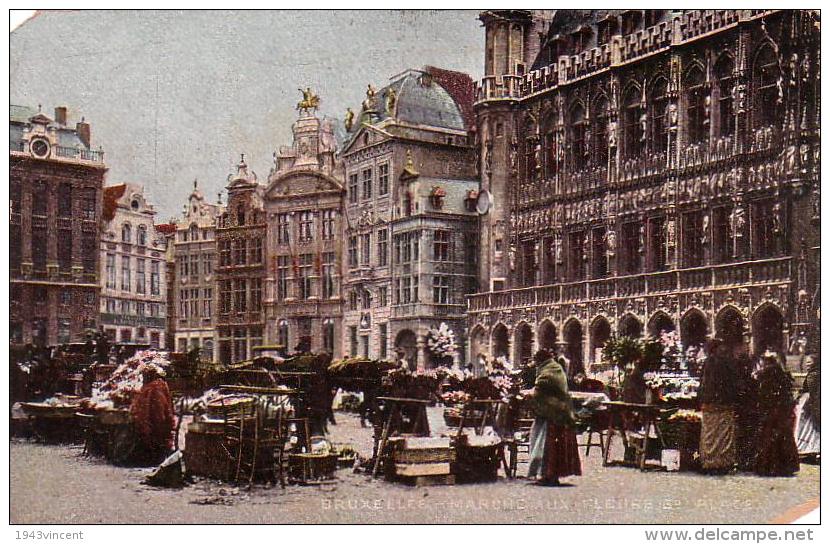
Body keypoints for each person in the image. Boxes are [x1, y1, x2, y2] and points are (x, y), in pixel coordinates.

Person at [523, 349, 581, 486]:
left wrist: (528, 396)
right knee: (553, 446)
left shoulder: (548, 371)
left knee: (547, 446)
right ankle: (549, 475)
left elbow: (540, 391)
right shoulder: (555, 368)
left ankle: (548, 475)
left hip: (553, 414)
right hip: (559, 412)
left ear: (540, 360)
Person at [698, 338, 740, 474]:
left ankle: (709, 461)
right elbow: (732, 383)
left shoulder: (707, 363)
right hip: (723, 404)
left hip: (709, 404)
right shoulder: (724, 362)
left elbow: (703, 384)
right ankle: (722, 462)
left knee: (709, 434)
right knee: (723, 435)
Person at [754, 352, 799, 476]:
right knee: (783, 437)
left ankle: (769, 466)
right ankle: (785, 466)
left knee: (769, 437)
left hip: (770, 411)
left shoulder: (764, 374)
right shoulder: (783, 374)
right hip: (782, 411)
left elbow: (762, 394)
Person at [130, 364, 176, 465]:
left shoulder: (154, 387)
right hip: (160, 420)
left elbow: (157, 410)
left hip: (158, 423)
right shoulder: (157, 385)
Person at [794, 354, 820, 461]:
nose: (807, 365)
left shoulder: (814, 375)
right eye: (806, 363)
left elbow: (812, 390)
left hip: (811, 403)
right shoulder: (813, 374)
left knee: (810, 427)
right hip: (808, 403)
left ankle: (811, 449)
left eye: (810, 362)